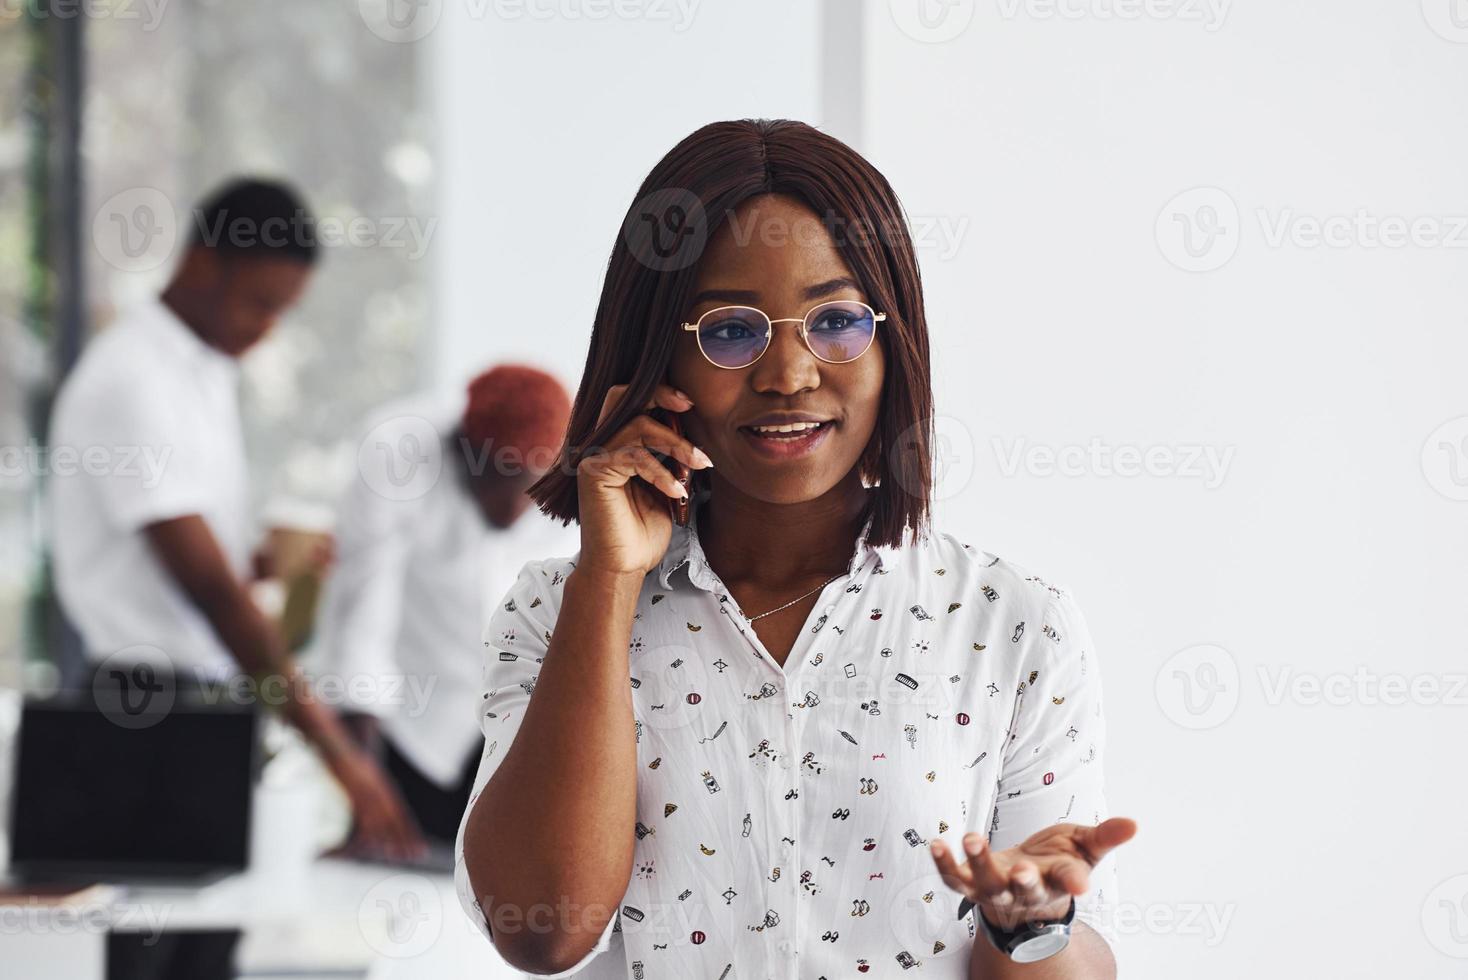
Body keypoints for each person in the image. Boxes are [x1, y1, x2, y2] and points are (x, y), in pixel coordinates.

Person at [454, 120, 1138, 980]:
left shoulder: (1015, 626)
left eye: (837, 321)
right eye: (732, 331)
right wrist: (610, 578)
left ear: (894, 343)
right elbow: (542, 931)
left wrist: (1029, 926)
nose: (788, 372)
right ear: (659, 352)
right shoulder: (556, 611)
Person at [49, 178, 425, 867]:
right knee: (147, 960)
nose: (266, 329)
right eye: (259, 304)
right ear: (199, 265)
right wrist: (340, 756)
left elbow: (198, 565)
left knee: (209, 954)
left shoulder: (204, 369)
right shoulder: (135, 379)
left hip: (201, 703)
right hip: (140, 712)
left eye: (282, 312)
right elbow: (213, 596)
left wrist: (262, 567)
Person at [309, 364, 578, 852]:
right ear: (464, 450)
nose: (517, 504)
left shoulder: (583, 466)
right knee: (402, 868)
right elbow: (362, 620)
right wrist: (363, 789)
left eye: (533, 482)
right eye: (503, 477)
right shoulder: (398, 453)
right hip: (410, 718)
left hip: (523, 723)